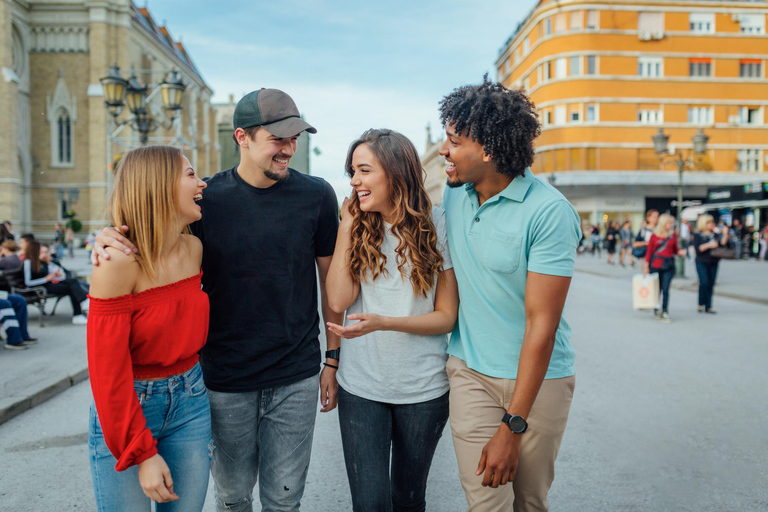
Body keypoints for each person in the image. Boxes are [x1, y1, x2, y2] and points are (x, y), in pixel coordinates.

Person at [93, 88, 343, 512]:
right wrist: (108, 235)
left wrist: (332, 361)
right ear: (242, 137)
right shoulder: (205, 202)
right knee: (231, 499)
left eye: (295, 137)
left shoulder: (318, 196)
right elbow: (152, 237)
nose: (289, 148)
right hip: (223, 381)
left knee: (286, 502)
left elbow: (330, 286)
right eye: (278, 138)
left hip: (295, 375)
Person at [437, 77, 580, 512]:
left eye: (454, 141)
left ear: (490, 150)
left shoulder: (549, 213)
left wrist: (513, 424)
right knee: (486, 503)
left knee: (529, 502)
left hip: (539, 383)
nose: (444, 151)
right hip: (471, 373)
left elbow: (543, 324)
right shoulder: (454, 191)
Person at [324, 129, 459, 512]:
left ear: (395, 173)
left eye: (364, 170)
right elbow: (337, 299)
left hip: (424, 390)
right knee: (369, 504)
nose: (354, 182)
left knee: (409, 498)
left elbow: (446, 317)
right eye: (352, 171)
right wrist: (347, 227)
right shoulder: (358, 224)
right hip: (361, 387)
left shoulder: (438, 224)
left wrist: (385, 321)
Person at [87, 145, 210, 511]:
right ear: (158, 186)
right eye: (190, 175)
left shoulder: (194, 249)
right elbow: (107, 371)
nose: (201, 182)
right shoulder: (117, 264)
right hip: (129, 405)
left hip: (191, 399)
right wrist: (141, 454)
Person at [23, 240, 88, 324]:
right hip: (40, 288)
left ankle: (79, 312)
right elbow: (28, 282)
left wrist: (48, 263)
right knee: (72, 285)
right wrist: (46, 279)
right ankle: (80, 309)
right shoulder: (28, 262)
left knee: (72, 283)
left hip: (48, 284)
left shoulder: (39, 261)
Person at [644, 213, 686, 323]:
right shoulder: (654, 236)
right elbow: (649, 252)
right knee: (658, 289)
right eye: (669, 223)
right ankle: (656, 308)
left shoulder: (673, 236)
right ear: (663, 224)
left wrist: (681, 252)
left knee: (666, 288)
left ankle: (665, 311)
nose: (671, 225)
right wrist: (646, 267)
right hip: (656, 265)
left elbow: (675, 250)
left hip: (668, 265)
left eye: (672, 223)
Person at [692, 214, 729, 314]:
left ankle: (709, 306)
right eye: (708, 222)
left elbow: (722, 244)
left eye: (712, 222)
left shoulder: (715, 234)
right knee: (704, 282)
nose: (711, 224)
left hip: (713, 261)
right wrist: (709, 245)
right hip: (701, 261)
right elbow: (698, 249)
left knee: (711, 283)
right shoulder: (698, 235)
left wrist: (725, 234)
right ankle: (700, 304)